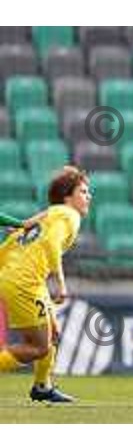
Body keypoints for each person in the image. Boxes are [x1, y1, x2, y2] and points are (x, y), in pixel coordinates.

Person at [0, 166, 92, 402]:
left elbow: (12, 242)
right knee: (38, 347)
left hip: (22, 278)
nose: (88, 196)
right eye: (83, 191)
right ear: (67, 197)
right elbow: (52, 244)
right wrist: (61, 283)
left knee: (52, 332)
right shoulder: (69, 216)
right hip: (25, 281)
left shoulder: (49, 215)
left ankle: (42, 386)